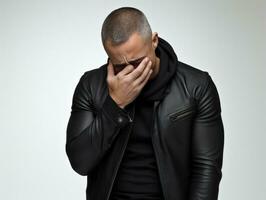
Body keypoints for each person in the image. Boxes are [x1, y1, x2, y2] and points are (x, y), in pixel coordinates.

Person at [65, 6, 224, 200]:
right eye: (120, 66)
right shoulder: (91, 85)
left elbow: (206, 169)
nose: (131, 72)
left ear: (154, 41)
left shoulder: (196, 86)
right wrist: (115, 105)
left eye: (138, 62)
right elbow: (81, 162)